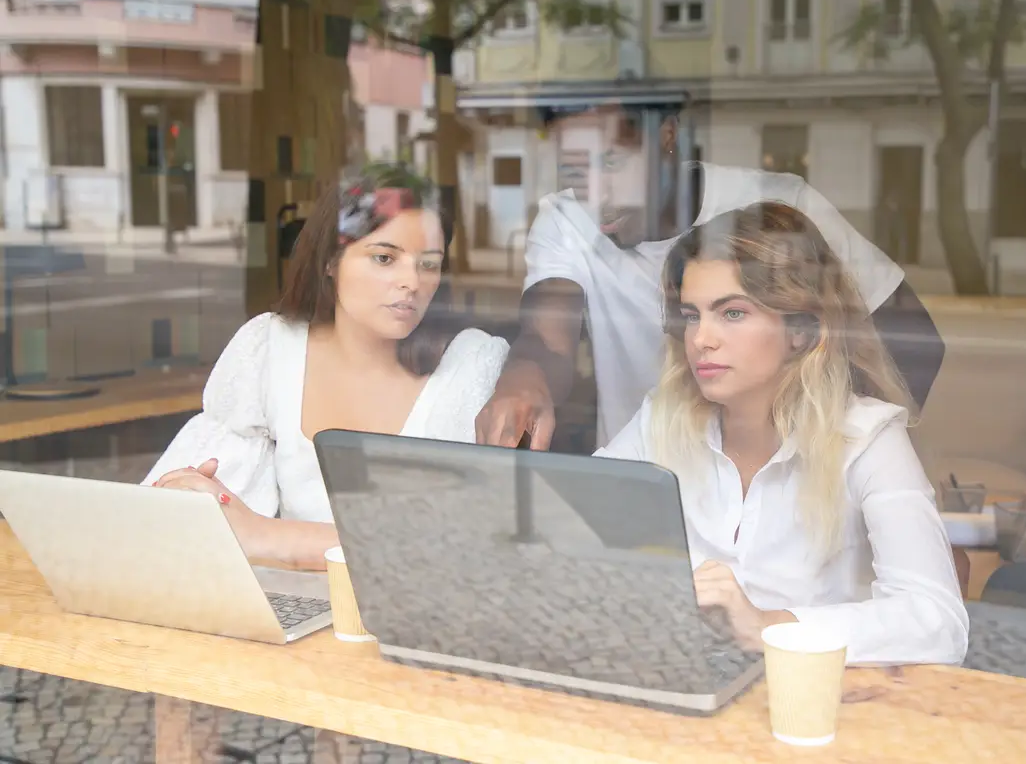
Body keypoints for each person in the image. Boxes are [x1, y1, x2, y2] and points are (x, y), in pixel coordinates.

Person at [596, 202, 968, 666]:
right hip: (683, 691)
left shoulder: (868, 440)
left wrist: (765, 626)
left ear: (800, 330)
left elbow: (937, 623)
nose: (700, 339)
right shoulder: (661, 420)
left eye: (731, 313)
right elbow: (574, 531)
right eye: (691, 315)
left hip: (810, 708)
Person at [475, 105, 943, 452]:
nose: (594, 194)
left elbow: (913, 341)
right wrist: (524, 378)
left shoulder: (779, 207)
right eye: (574, 170)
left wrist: (837, 456)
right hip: (647, 500)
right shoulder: (565, 220)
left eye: (612, 163)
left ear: (666, 136)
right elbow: (547, 338)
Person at [144, 169, 509, 570]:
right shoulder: (270, 349)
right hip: (296, 607)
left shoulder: (468, 366)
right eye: (384, 258)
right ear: (331, 261)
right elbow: (166, 523)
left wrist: (264, 536)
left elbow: (455, 550)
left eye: (429, 264)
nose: (412, 282)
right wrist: (193, 495)